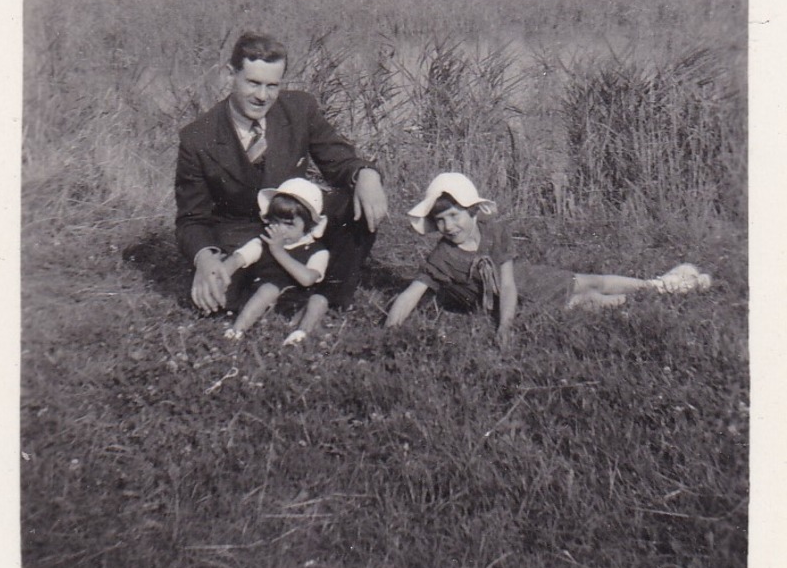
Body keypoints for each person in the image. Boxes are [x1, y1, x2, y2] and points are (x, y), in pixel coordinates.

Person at [175, 30, 388, 328]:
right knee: (217, 301)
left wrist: (366, 173)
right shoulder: (198, 137)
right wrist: (206, 258)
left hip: (297, 221)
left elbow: (338, 160)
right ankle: (278, 290)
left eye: (272, 86)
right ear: (230, 74)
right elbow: (191, 218)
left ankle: (329, 295)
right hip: (243, 236)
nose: (262, 96)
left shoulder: (300, 108)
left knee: (355, 204)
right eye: (253, 83)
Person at [385, 172, 711, 347]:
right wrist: (388, 332)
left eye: (454, 216)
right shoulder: (442, 257)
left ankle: (661, 287)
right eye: (440, 221)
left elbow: (509, 283)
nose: (448, 227)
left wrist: (505, 328)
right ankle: (647, 297)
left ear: (472, 210)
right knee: (590, 300)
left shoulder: (493, 231)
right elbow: (409, 295)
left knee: (587, 280)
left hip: (527, 283)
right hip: (519, 303)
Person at [222, 178, 331, 347]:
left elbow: (307, 279)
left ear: (309, 226)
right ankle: (236, 331)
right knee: (269, 289)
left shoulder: (318, 251)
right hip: (258, 303)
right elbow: (237, 259)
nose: (279, 230)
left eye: (288, 225)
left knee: (319, 301)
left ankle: (299, 335)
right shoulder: (262, 243)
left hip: (294, 307)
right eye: (275, 222)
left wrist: (278, 251)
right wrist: (218, 278)